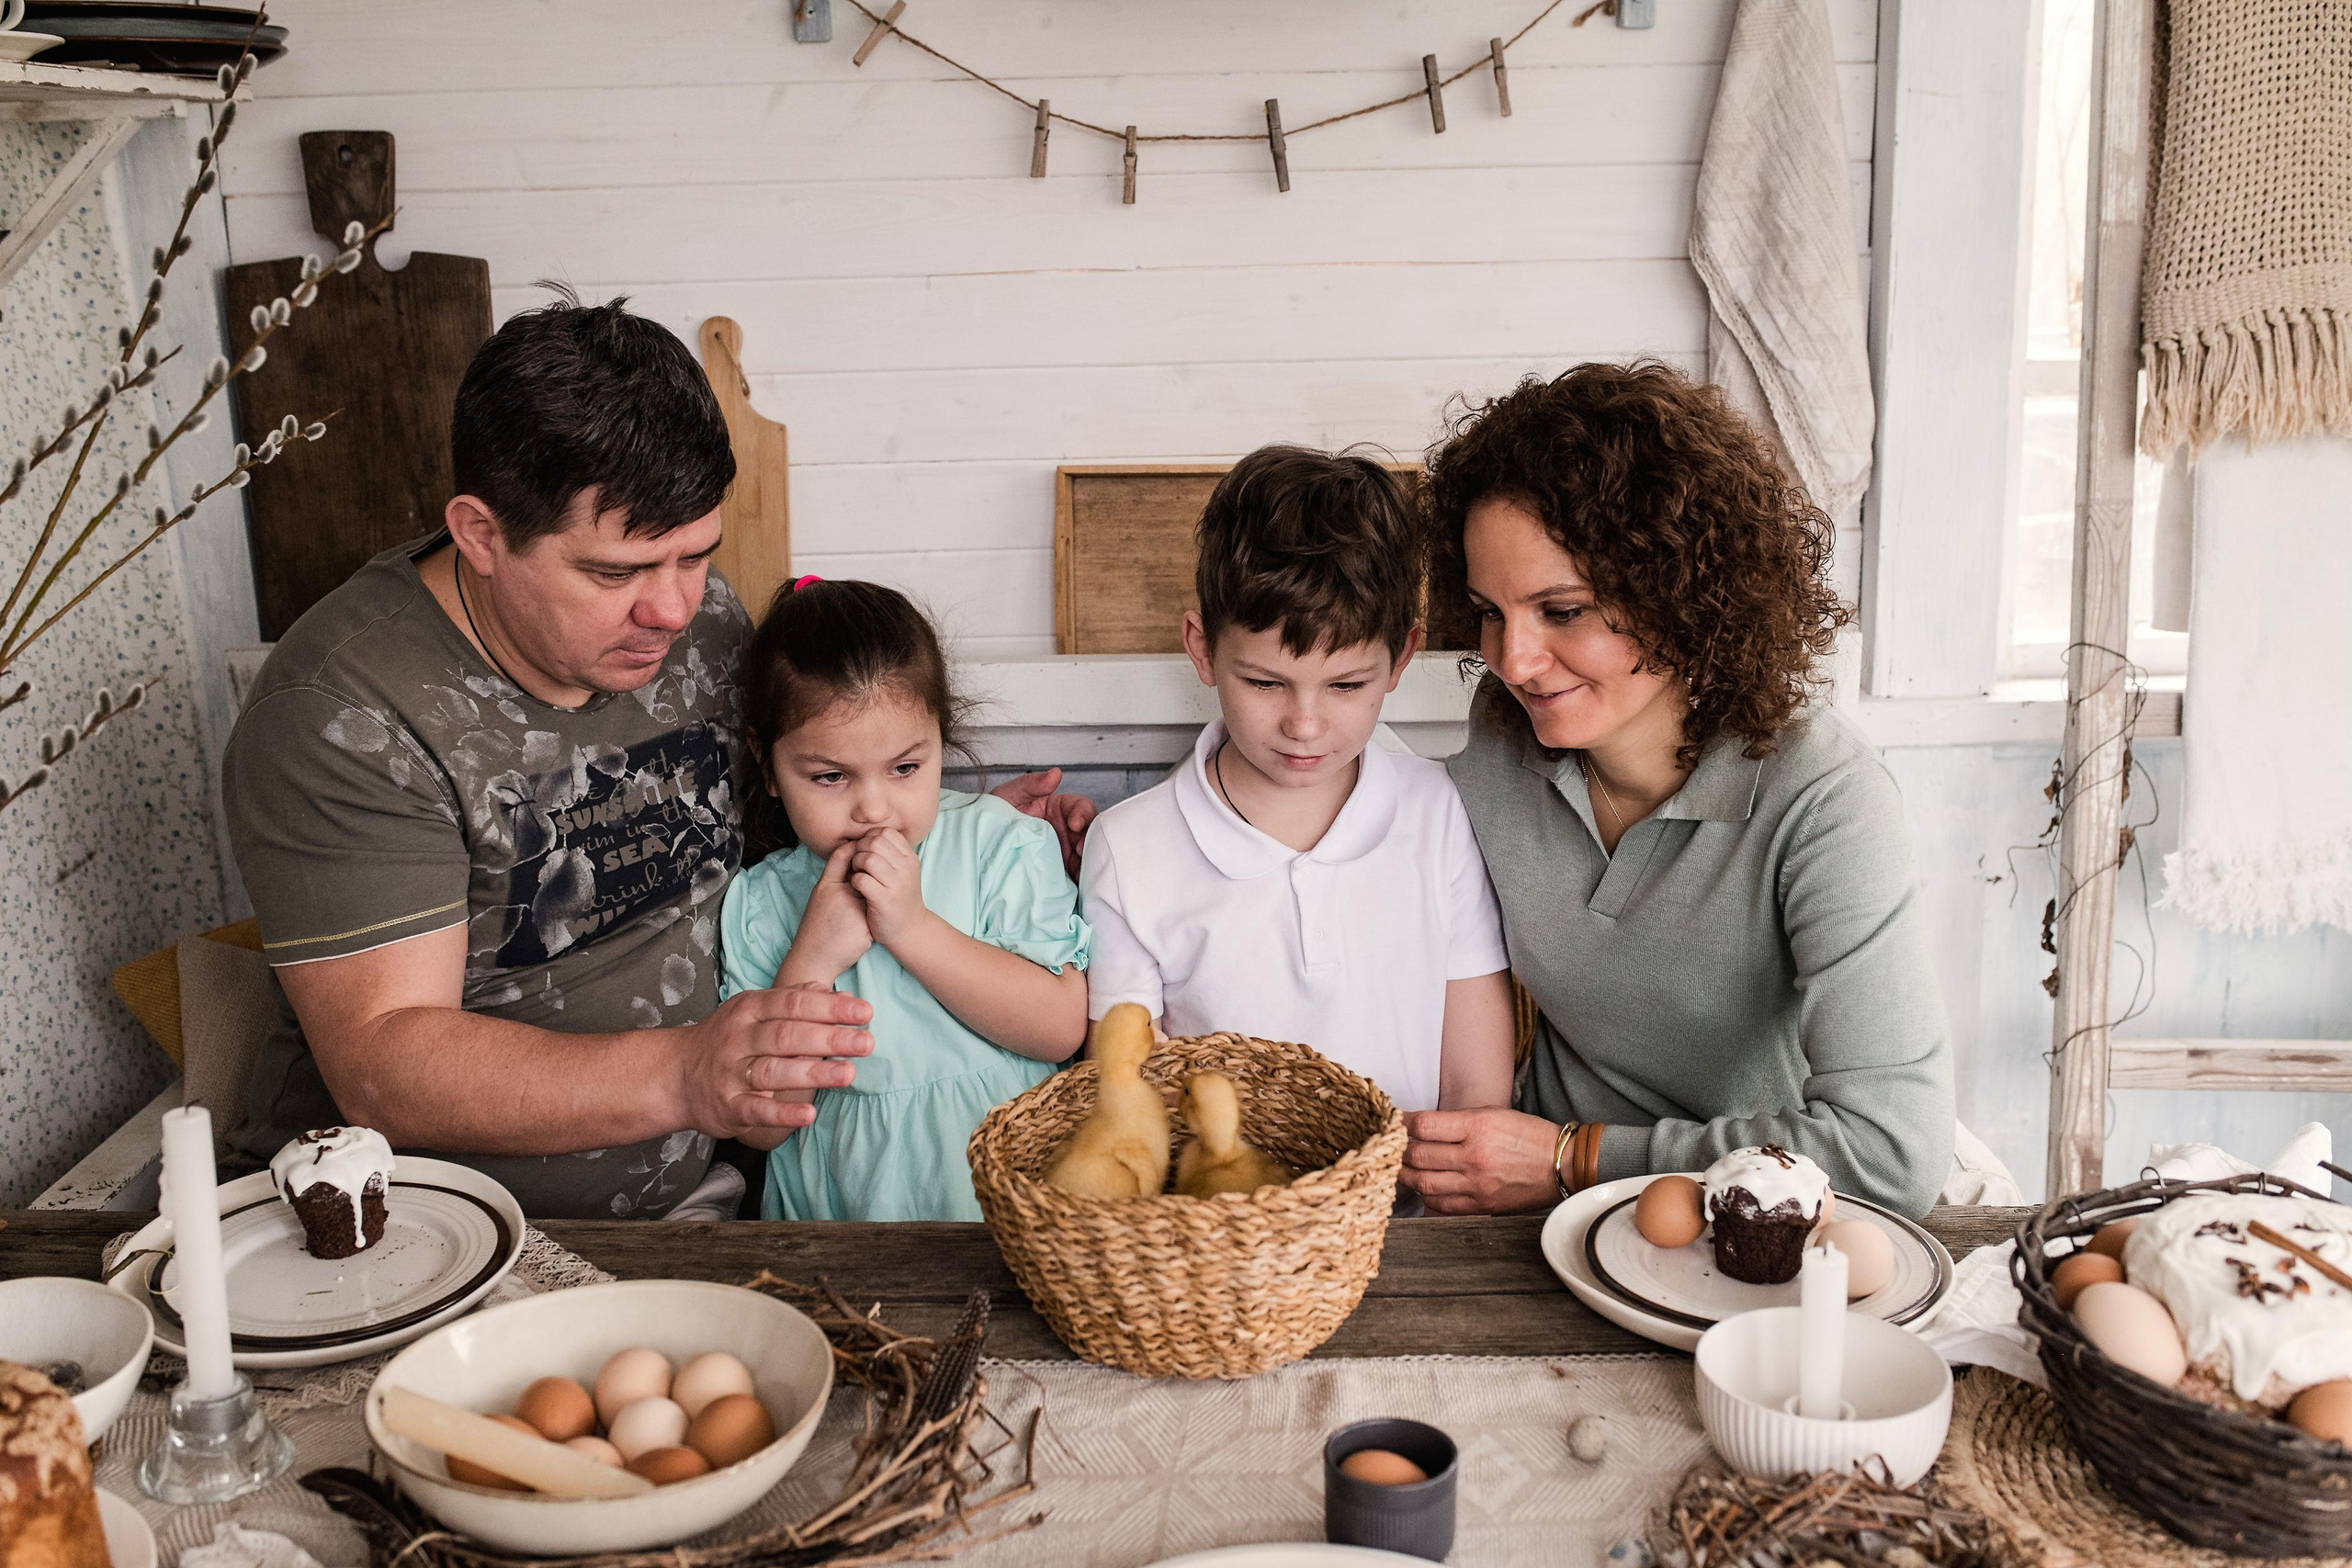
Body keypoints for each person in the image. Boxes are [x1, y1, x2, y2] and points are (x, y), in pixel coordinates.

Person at [220, 292, 1091, 1219]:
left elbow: (791, 818)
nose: (672, 610)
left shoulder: (707, 628)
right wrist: (688, 1073)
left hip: (713, 1192)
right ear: (480, 534)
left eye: (694, 556)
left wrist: (947, 825)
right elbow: (386, 1066)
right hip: (433, 1228)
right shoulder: (347, 714)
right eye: (615, 572)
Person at [1400, 362, 1955, 1219]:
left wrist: (1574, 1156)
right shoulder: (1505, 734)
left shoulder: (1825, 798)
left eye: (1563, 610)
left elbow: (1892, 1155)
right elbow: (1366, 824)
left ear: (1684, 592)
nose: (1513, 662)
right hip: (1535, 1223)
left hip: (1751, 1226)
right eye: (1490, 611)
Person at [1078, 446, 1516, 1116]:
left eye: (1345, 684)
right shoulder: (1128, 847)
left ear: (1401, 656)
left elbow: (1475, 1089)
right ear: (1203, 649)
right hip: (1228, 1214)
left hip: (1416, 1213)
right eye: (1264, 682)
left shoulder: (1440, 811)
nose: (1304, 726)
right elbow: (1126, 1097)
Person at [717, 580, 1090, 1221]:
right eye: (831, 776)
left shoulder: (1000, 844)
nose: (874, 806)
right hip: (836, 1232)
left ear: (940, 739)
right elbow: (758, 1126)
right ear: (768, 763)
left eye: (905, 768)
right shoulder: (760, 900)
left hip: (1008, 1220)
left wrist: (913, 928)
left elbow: (1060, 1030)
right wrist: (811, 959)